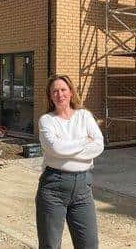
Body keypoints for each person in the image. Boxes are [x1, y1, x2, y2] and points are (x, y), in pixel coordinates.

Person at [36, 74, 104, 249]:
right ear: (50, 96)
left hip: (83, 188)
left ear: (71, 92)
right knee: (50, 245)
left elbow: (98, 146)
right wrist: (84, 141)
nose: (60, 94)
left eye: (63, 90)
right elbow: (56, 149)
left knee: (89, 244)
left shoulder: (84, 116)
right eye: (55, 91)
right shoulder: (47, 120)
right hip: (53, 188)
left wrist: (66, 149)